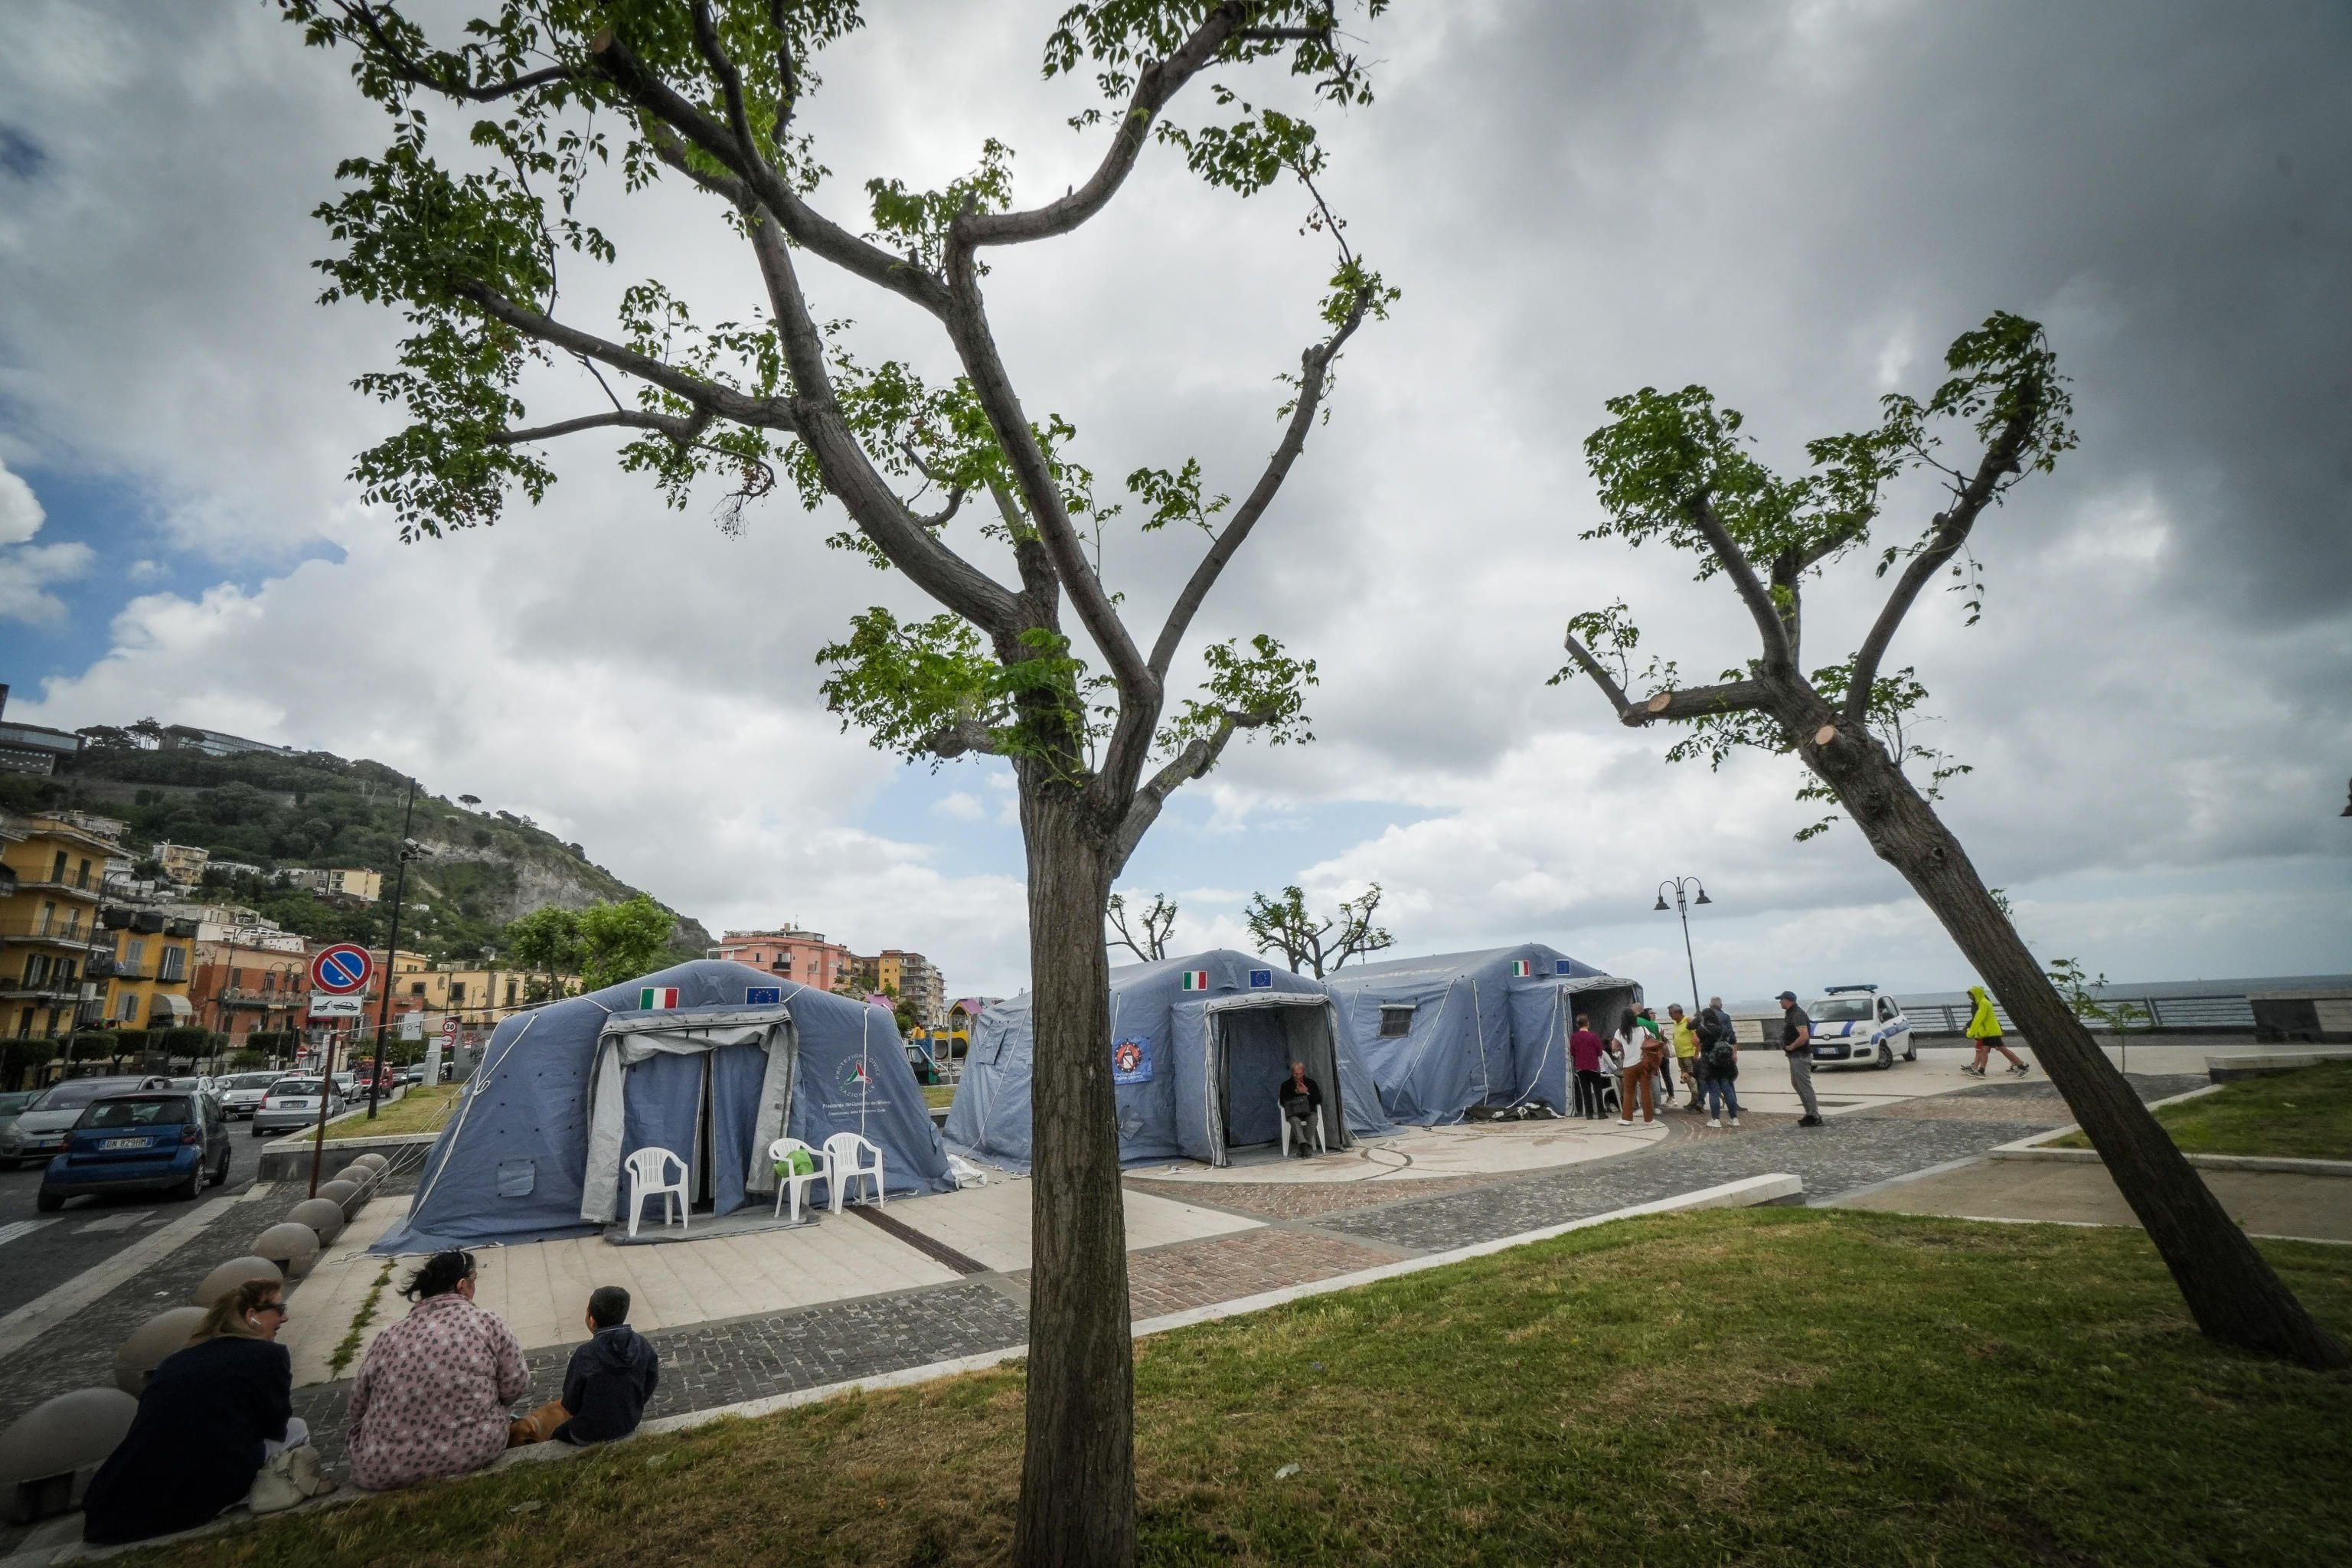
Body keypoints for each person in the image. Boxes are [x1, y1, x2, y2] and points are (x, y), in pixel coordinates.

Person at [82, 1279, 328, 1544]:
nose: (286, 1317)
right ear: (251, 1316)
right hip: (201, 1490)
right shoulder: (267, 1355)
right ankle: (281, 1490)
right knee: (298, 1428)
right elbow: (275, 1426)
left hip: (112, 1502)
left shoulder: (174, 1361)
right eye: (279, 1309)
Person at [346, 1250, 528, 1491]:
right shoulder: (487, 1323)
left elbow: (357, 1407)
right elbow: (515, 1386)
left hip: (383, 1466)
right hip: (471, 1449)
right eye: (474, 1281)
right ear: (462, 1286)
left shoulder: (387, 1337)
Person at [508, 1287, 661, 1447]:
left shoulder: (585, 1354)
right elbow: (652, 1379)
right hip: (629, 1424)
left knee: (556, 1434)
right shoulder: (642, 1344)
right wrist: (634, 1403)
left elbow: (570, 1404)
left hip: (588, 1434)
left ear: (591, 1320)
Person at [1778, 990, 1824, 1126]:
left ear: (1788, 1000)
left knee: (1804, 1085)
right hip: (1795, 1056)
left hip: (1800, 1055)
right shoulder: (1791, 1014)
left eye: (1781, 1000)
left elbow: (1804, 1035)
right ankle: (1809, 1113)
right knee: (1797, 1083)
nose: (1780, 1002)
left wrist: (1792, 1046)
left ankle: (1814, 1115)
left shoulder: (1797, 1014)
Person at [1963, 985, 2028, 1076]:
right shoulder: (1982, 1003)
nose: (1969, 997)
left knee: (1999, 1049)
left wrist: (1970, 1033)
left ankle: (2022, 1066)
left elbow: (1978, 1019)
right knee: (1988, 1049)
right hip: (1989, 1031)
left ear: (1976, 994)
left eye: (1970, 995)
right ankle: (1981, 1071)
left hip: (1991, 1032)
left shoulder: (1984, 1003)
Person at [1615, 1008, 1658, 1125]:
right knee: (1646, 1091)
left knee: (1629, 1092)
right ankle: (1649, 1119)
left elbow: (1615, 1047)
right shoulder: (1643, 1029)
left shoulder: (1620, 1032)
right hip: (1644, 1063)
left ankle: (1627, 1118)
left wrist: (1622, 1050)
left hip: (1629, 1065)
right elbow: (1652, 1041)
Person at [1701, 1009, 1742, 1129]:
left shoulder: (1705, 1030)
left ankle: (1716, 1119)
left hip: (1711, 1063)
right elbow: (1734, 1042)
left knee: (1714, 1092)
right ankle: (1734, 1118)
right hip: (1725, 1062)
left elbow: (1695, 1042)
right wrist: (1734, 1055)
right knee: (1728, 1090)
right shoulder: (1725, 1029)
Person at [1569, 1012, 1609, 1120]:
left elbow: (1572, 1051)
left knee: (1586, 1090)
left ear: (1578, 1025)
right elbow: (1599, 1051)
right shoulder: (1594, 1036)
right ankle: (1601, 1112)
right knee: (1597, 1089)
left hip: (1580, 1067)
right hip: (1593, 1066)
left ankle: (1589, 1114)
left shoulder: (1574, 1037)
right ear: (1587, 1023)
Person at [1277, 1060, 1323, 1155]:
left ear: (1304, 1072)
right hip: (1294, 1112)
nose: (1298, 1076)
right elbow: (1282, 1101)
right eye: (1296, 1074)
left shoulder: (1311, 1083)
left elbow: (1318, 1100)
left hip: (1309, 1111)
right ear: (1292, 1073)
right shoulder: (1286, 1085)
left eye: (1300, 1074)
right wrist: (1295, 1092)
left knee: (1314, 1118)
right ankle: (1304, 1145)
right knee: (1294, 1120)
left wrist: (1306, 1093)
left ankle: (1304, 1147)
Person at [1669, 1004, 1704, 1112]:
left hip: (1689, 1054)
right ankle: (1693, 1100)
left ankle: (1698, 1101)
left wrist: (1697, 1053)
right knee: (1686, 1079)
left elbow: (1697, 1037)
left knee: (1693, 1079)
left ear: (1677, 1012)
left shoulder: (1688, 1021)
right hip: (1680, 1055)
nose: (1670, 1015)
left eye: (1671, 1013)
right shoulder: (1675, 1023)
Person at [1638, 1006, 1675, 1103]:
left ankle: (1670, 1096)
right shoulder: (1650, 1026)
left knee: (1664, 1075)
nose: (1654, 1015)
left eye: (1654, 1013)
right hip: (1655, 1054)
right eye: (1651, 1013)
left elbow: (1664, 1039)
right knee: (1657, 1076)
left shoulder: (1657, 1026)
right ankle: (1659, 1097)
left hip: (1659, 1054)